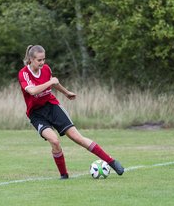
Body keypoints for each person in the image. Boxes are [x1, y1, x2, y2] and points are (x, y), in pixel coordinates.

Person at [18, 45, 124, 179]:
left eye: (44, 59)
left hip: (52, 107)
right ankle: (64, 175)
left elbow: (55, 84)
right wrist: (51, 81)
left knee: (77, 138)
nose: (42, 63)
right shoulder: (24, 73)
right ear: (31, 59)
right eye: (39, 60)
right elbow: (32, 91)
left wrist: (66, 92)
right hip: (36, 114)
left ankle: (111, 162)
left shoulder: (46, 69)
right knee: (54, 141)